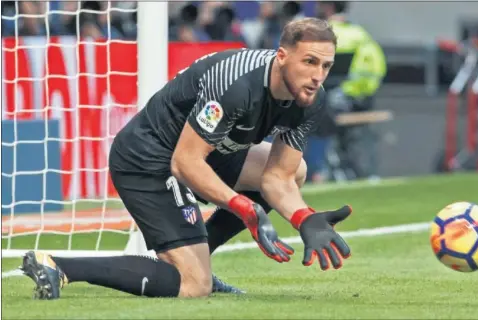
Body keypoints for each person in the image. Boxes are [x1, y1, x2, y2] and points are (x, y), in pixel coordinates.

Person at [21, 17, 353, 300]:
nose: (318, 75)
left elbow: (277, 177)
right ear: (282, 56)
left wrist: (303, 218)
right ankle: (58, 264)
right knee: (194, 286)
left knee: (297, 172)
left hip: (210, 154)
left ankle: (197, 259)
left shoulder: (312, 98)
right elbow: (185, 163)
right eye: (309, 62)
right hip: (150, 158)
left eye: (326, 65)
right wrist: (241, 206)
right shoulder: (237, 85)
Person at [315, 1, 387, 181]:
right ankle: (348, 169)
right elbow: (379, 68)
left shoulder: (324, 34)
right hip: (364, 100)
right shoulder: (361, 34)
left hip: (337, 102)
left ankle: (329, 169)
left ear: (328, 7)